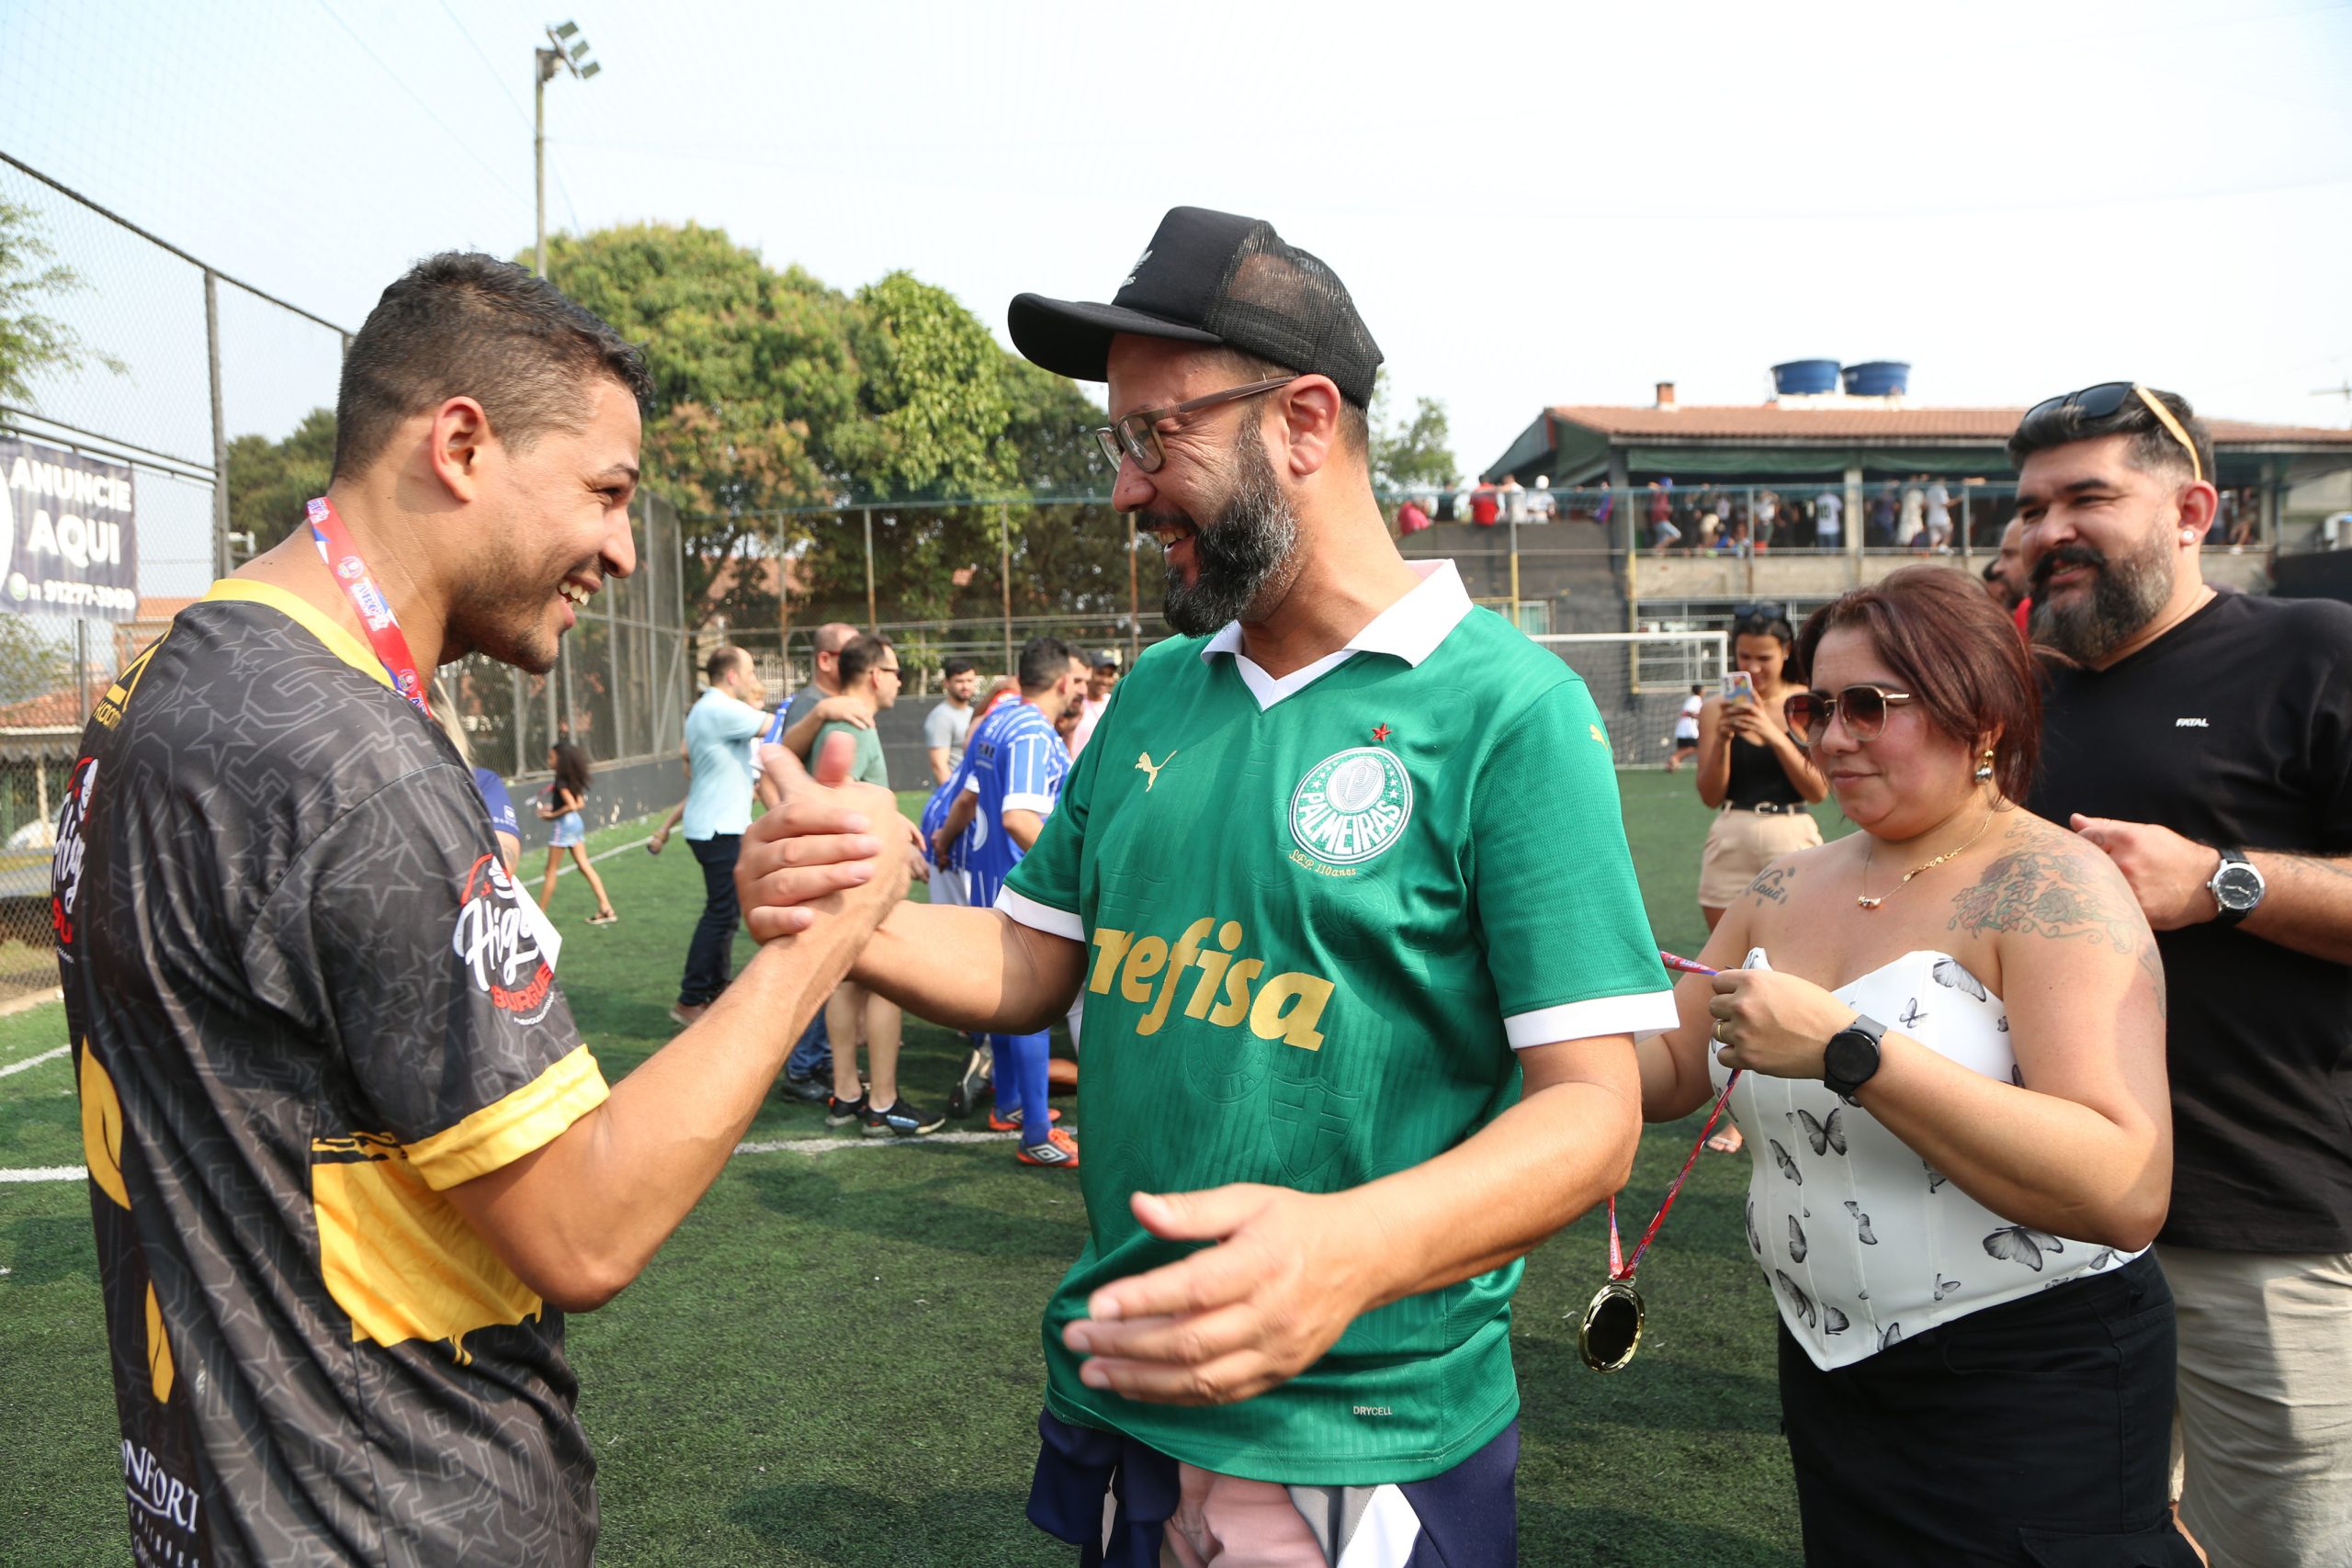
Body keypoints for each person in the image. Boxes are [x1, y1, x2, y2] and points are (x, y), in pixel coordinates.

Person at [745, 203, 1670, 1562]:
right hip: (1130, 1384)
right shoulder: (1160, 693)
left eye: (1152, 434)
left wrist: (1348, 1248)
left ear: (1304, 420)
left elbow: (1593, 1117)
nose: (1124, 488)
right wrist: (856, 911)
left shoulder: (1508, 710)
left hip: (1367, 1431)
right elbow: (1030, 962)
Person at [51, 251, 904, 1567]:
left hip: (214, 1508)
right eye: (606, 493)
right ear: (459, 443)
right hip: (393, 1518)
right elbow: (584, 1219)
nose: (621, 547)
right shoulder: (350, 761)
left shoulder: (152, 694)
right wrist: (831, 930)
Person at [1638, 566, 2194, 1566]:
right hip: (1827, 1373)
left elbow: (2125, 1184)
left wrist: (1851, 1053)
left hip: (2029, 1382)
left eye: (1868, 707)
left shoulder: (2050, 888)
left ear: (1978, 719)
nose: (1829, 737)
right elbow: (1668, 1069)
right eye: (1815, 706)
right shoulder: (1783, 881)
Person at [2013, 382, 2352, 1567]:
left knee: (2282, 1549)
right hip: (2051, 1226)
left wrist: (2222, 880)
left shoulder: (2310, 648)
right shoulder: (2023, 699)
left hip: (2261, 1226)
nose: (2049, 528)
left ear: (2193, 507)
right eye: (2033, 504)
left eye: (2088, 496)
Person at [932, 637, 1091, 1163]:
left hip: (990, 881)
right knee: (1033, 1006)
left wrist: (945, 840)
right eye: (1080, 682)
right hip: (1022, 890)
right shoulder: (1030, 731)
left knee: (1002, 1003)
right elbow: (1018, 818)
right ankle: (1038, 1136)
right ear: (1065, 681)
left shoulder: (998, 721)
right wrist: (1072, 868)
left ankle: (1014, 1105)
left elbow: (968, 797)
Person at [808, 634, 939, 1137]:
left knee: (848, 980)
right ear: (874, 674)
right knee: (885, 980)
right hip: (860, 876)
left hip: (843, 875)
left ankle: (846, 1094)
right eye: (896, 670)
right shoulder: (853, 723)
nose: (901, 680)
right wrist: (898, 834)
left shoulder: (844, 719)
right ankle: (882, 1103)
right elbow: (838, 794)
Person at [673, 645, 770, 1028]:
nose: (752, 679)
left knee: (726, 911)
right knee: (720, 912)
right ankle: (691, 998)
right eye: (748, 671)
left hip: (717, 824)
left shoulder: (709, 707)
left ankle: (713, 988)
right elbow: (774, 727)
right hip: (717, 828)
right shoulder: (720, 708)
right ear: (731, 676)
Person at [537, 741, 617, 925]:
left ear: (560, 759)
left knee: (551, 870)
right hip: (576, 824)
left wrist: (551, 815)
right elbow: (578, 804)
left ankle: (540, 914)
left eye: (551, 757)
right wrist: (555, 808)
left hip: (564, 825)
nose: (548, 760)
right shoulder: (573, 778)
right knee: (584, 865)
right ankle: (606, 908)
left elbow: (572, 805)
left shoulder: (561, 780)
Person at [923, 656, 979, 785]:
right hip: (955, 798)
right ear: (947, 683)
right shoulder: (941, 717)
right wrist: (954, 799)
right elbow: (939, 766)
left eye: (969, 680)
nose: (965, 686)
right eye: (959, 681)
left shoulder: (972, 713)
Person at [1067, 647, 1121, 759]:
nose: (1105, 680)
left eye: (1110, 675)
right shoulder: (1075, 704)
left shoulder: (1113, 703)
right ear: (1089, 672)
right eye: (1100, 673)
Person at [1667, 682, 1703, 772]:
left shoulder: (1692, 699)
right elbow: (1687, 713)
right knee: (1695, 747)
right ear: (1700, 691)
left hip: (1684, 727)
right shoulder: (1696, 699)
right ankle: (1675, 758)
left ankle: (1671, 764)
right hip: (1688, 727)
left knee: (1683, 748)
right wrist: (1701, 717)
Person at [1924, 479, 1955, 552]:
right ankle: (1942, 547)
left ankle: (1935, 554)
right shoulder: (1941, 490)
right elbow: (1945, 503)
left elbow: (1925, 504)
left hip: (1932, 519)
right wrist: (1958, 500)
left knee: (1934, 541)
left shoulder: (1929, 490)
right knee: (1948, 533)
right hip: (1942, 519)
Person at [1814, 487, 1843, 551]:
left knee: (1822, 556)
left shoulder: (1819, 499)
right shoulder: (1834, 498)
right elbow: (1841, 511)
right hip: (1833, 529)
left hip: (1821, 529)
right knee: (1832, 554)